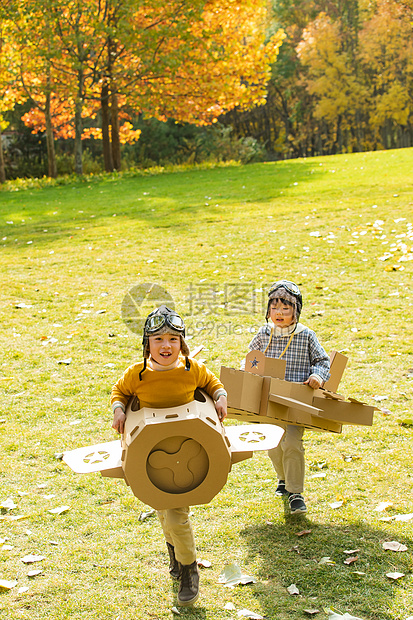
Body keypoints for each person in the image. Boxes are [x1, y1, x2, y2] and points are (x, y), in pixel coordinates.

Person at [111, 305, 227, 606]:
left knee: (176, 514)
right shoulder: (137, 374)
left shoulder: (191, 368)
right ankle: (175, 558)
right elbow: (119, 392)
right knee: (162, 509)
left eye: (173, 340)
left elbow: (212, 383)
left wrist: (220, 397)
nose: (166, 346)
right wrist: (119, 409)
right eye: (159, 339)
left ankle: (189, 570)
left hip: (188, 453)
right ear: (147, 344)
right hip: (152, 454)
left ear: (182, 343)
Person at [244, 280, 330, 515]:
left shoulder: (306, 336)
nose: (279, 313)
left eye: (286, 308)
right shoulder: (263, 334)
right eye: (274, 308)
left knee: (291, 443)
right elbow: (251, 359)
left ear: (296, 311)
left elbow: (323, 361)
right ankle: (282, 478)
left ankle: (295, 493)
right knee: (273, 445)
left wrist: (317, 376)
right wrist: (250, 375)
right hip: (269, 401)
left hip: (296, 402)